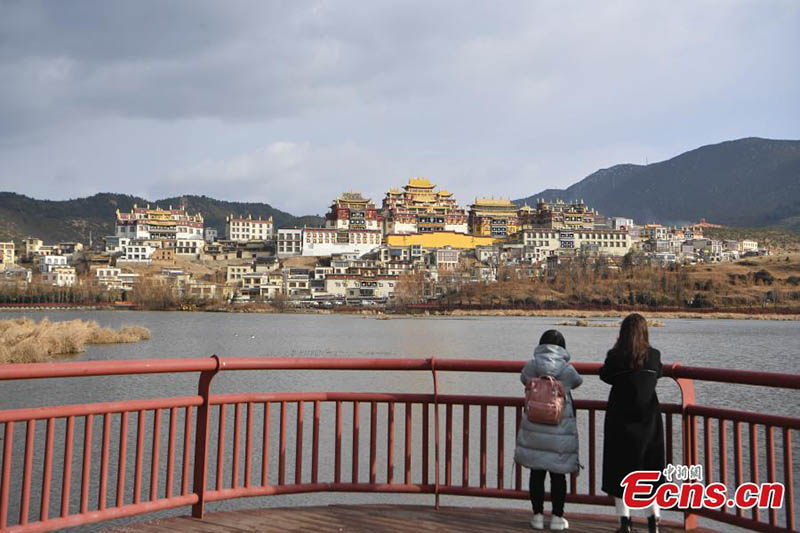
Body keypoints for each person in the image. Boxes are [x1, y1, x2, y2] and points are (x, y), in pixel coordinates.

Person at [600, 313, 665, 533]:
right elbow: (659, 372)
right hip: (649, 423)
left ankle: (624, 523)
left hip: (620, 422)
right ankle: (653, 521)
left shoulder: (616, 357)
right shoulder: (654, 356)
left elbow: (605, 375)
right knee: (649, 473)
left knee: (621, 472)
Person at [515, 329, 583, 531]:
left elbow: (523, 379)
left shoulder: (532, 366)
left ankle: (536, 516)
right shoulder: (566, 370)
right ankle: (556, 517)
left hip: (535, 426)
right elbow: (577, 382)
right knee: (558, 474)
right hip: (559, 429)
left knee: (536, 472)